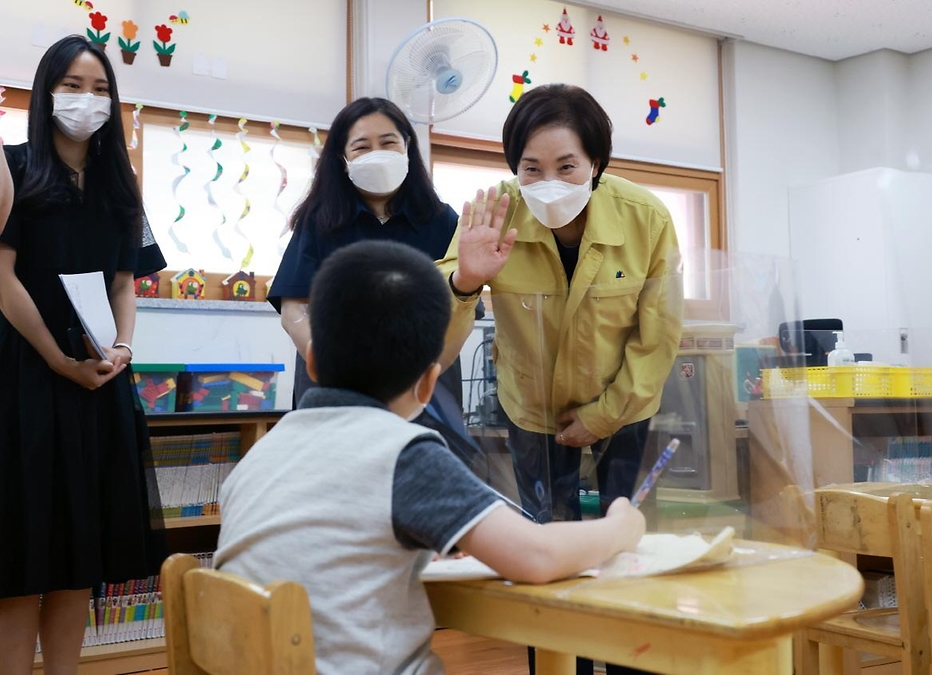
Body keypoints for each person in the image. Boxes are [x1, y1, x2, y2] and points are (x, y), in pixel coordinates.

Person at [214, 240, 646, 675]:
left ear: (311, 361)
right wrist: (619, 528)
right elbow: (536, 556)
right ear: (427, 385)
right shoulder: (404, 454)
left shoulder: (260, 453)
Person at [437, 83, 683, 675]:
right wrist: (465, 282)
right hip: (532, 413)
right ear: (513, 167)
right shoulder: (493, 215)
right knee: (546, 551)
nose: (548, 180)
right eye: (531, 167)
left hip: (622, 407)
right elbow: (437, 345)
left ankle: (627, 663)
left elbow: (660, 335)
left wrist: (602, 415)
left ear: (595, 163)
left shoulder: (646, 217)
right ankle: (557, 665)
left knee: (622, 545)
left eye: (566, 165)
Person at [0, 35, 167, 674]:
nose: (86, 99)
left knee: (77, 560)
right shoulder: (13, 169)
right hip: (23, 380)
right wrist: (54, 358)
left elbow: (124, 282)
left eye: (99, 88)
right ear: (45, 94)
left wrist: (122, 348)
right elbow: (4, 277)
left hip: (96, 383)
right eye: (71, 85)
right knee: (20, 562)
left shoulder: (120, 188)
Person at [268, 96, 474, 416]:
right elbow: (293, 309)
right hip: (335, 380)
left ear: (407, 147)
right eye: (362, 146)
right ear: (343, 157)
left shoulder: (442, 221)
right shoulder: (319, 221)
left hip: (423, 382)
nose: (376, 155)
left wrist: (420, 376)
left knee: (422, 462)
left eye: (388, 142)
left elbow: (461, 311)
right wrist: (328, 362)